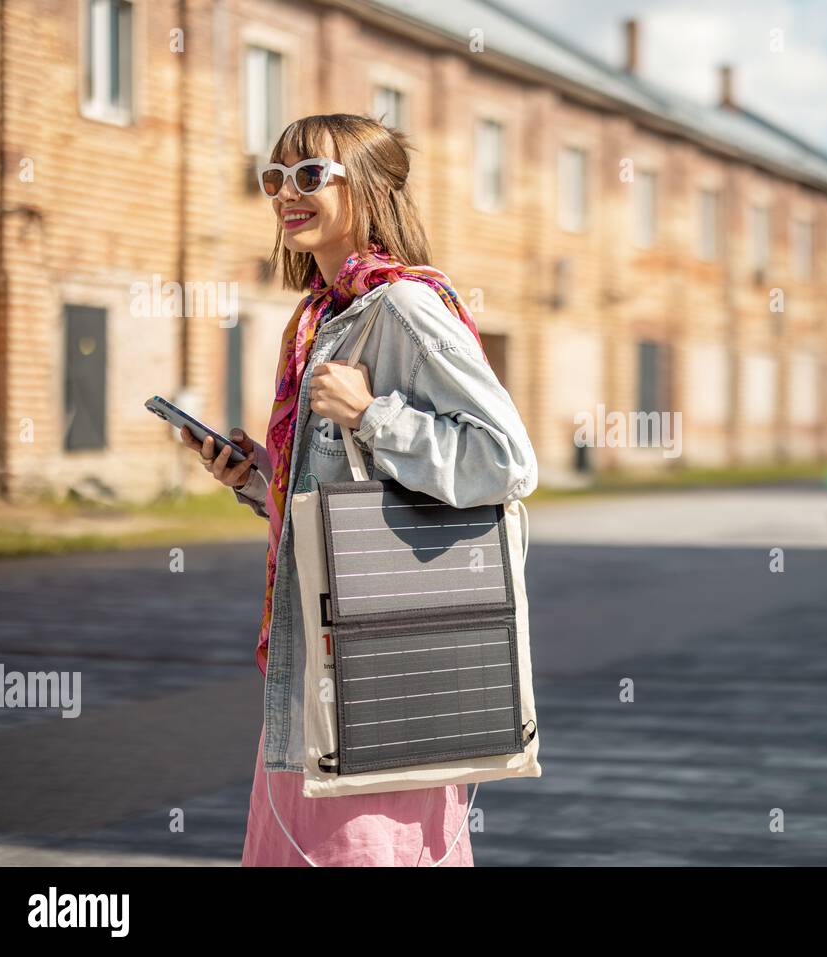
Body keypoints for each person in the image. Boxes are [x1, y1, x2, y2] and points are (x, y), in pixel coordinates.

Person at [177, 113, 538, 866]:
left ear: (368, 188)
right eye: (274, 178)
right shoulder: (323, 315)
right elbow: (347, 493)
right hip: (319, 663)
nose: (285, 194)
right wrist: (257, 480)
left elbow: (506, 459)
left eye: (310, 176)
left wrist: (375, 414)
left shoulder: (402, 307)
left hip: (381, 669)